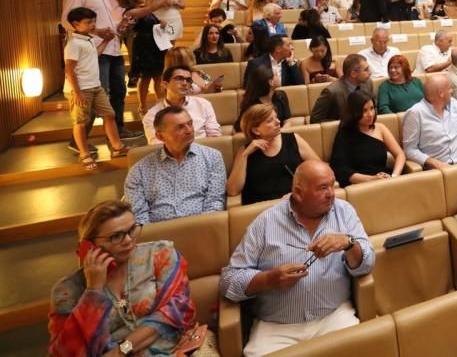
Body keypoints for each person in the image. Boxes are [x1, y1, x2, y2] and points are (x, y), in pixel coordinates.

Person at [221, 160, 375, 356]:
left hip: (334, 316)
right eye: (322, 188)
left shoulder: (344, 212)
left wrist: (349, 243)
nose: (331, 194)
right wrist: (269, 279)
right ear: (298, 193)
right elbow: (229, 281)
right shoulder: (265, 223)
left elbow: (368, 263)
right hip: (277, 327)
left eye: (332, 185)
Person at [48, 200, 202, 356]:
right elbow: (65, 353)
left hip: (171, 351)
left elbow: (178, 310)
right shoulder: (68, 290)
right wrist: (94, 290)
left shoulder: (160, 255)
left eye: (131, 230)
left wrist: (120, 351)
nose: (128, 240)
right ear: (89, 245)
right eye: (116, 236)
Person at [125, 107, 226, 224]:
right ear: (160, 136)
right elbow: (138, 217)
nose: (189, 130)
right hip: (158, 236)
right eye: (180, 127)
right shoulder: (139, 171)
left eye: (190, 123)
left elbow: (215, 203)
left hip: (202, 228)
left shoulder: (212, 157)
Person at [63, 7, 132, 170]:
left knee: (109, 114)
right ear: (75, 24)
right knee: (80, 122)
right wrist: (77, 92)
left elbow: (95, 54)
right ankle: (84, 155)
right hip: (80, 89)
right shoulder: (73, 43)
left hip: (95, 86)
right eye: (88, 22)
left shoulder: (88, 40)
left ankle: (117, 147)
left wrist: (106, 41)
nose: (93, 25)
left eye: (94, 21)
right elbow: (69, 69)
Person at [227, 105, 322, 205]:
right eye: (270, 121)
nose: (278, 122)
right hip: (263, 209)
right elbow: (232, 190)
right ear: (256, 130)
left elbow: (319, 168)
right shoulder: (245, 151)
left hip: (296, 202)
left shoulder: (293, 139)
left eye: (276, 117)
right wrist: (245, 156)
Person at [331, 91, 406, 186]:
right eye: (364, 110)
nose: (370, 114)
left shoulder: (380, 128)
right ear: (354, 112)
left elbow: (400, 154)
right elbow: (340, 168)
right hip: (360, 184)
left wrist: (394, 176)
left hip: (385, 180)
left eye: (372, 108)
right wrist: (372, 179)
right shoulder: (344, 134)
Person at [401, 74, 457, 170]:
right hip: (437, 172)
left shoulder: (454, 104)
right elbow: (409, 149)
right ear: (441, 93)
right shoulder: (415, 113)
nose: (452, 91)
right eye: (449, 88)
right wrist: (435, 163)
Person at [142, 66, 222, 142]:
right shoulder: (152, 116)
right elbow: (157, 145)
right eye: (179, 79)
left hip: (205, 152)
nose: (184, 83)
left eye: (188, 80)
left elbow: (214, 136)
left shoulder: (203, 104)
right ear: (165, 84)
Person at [310, 54, 374, 123]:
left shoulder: (368, 84)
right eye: (366, 70)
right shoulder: (331, 92)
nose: (370, 72)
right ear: (353, 74)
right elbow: (315, 120)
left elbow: (375, 108)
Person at [238, 63, 293, 130]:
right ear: (271, 82)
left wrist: (279, 134)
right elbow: (238, 129)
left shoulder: (281, 95)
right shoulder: (250, 105)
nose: (278, 76)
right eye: (276, 75)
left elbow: (287, 122)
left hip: (280, 136)